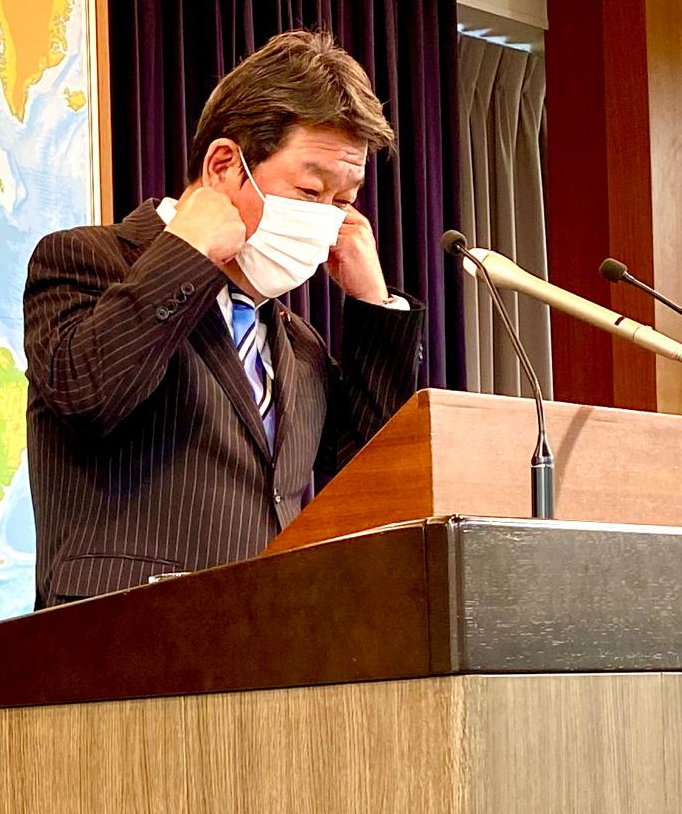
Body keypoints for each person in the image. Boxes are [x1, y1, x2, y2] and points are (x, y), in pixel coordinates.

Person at [24, 31, 425, 607]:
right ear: (222, 165)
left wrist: (373, 307)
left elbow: (367, 488)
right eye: (310, 191)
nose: (327, 222)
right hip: (119, 646)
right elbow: (88, 393)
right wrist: (187, 249)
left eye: (343, 202)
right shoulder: (86, 261)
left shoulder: (296, 342)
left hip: (265, 650)